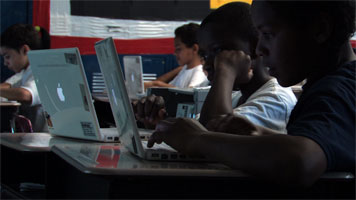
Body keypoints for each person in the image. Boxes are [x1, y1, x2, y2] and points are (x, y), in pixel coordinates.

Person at [147, 0, 356, 187]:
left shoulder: (337, 90)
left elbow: (302, 160)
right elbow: (330, 147)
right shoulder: (331, 85)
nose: (259, 50)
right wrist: (261, 135)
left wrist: (198, 139)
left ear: (319, 30)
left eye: (267, 34)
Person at [134, 2, 297, 133]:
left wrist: (225, 71)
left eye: (218, 51)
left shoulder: (275, 101)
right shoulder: (237, 97)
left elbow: (210, 137)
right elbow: (197, 128)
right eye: (204, 56)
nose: (208, 64)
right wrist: (162, 122)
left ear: (255, 48)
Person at [0, 24, 51, 132]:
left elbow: (25, 94)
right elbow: (7, 87)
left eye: (7, 56)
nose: (5, 63)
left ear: (25, 50)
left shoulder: (41, 69)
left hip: (46, 141)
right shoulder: (25, 72)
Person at [144, 23, 209, 89]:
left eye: (178, 49)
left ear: (195, 49)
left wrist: (157, 84)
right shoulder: (185, 68)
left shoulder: (200, 72)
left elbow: (190, 93)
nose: (175, 53)